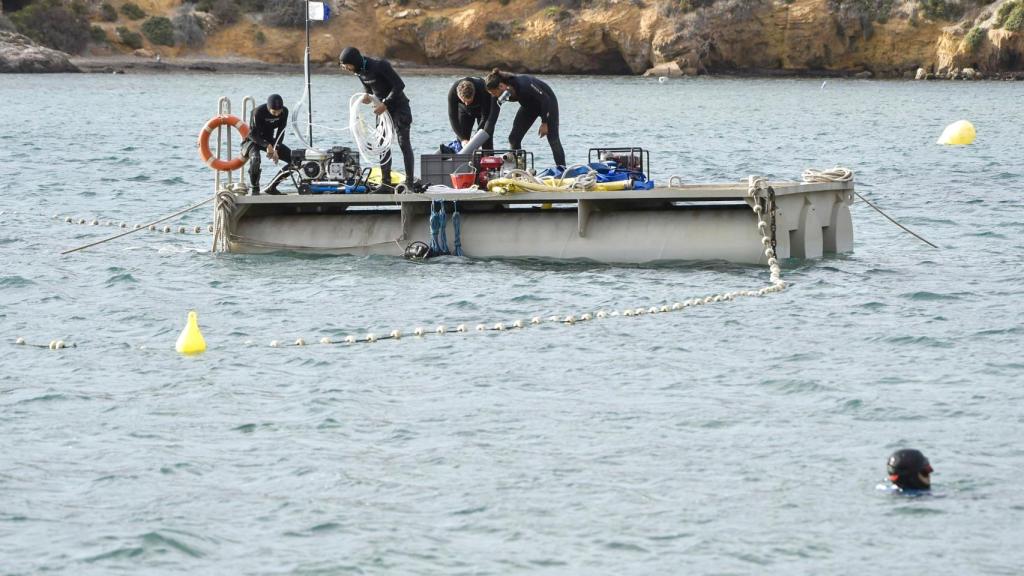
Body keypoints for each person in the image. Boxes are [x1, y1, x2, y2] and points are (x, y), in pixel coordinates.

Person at [339, 46, 416, 192]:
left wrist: (385, 103)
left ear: (354, 61)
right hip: (383, 111)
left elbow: (399, 85)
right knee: (382, 145)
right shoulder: (359, 71)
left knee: (403, 143)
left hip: (399, 107)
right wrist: (367, 96)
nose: (346, 68)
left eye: (347, 65)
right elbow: (369, 88)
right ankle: (386, 184)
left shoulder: (379, 65)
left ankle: (410, 183)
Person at [484, 68, 566, 169]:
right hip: (529, 107)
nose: (494, 96)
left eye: (494, 93)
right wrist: (484, 135)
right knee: (513, 138)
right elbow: (492, 118)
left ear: (501, 86)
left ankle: (563, 170)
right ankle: (519, 170)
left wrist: (544, 123)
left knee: (553, 139)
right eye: (491, 94)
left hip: (547, 103)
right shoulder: (497, 94)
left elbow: (545, 99)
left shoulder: (523, 84)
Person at [243, 94, 292, 195]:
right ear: (268, 108)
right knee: (255, 159)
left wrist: (276, 149)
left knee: (295, 161)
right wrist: (267, 146)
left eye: (279, 112)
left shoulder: (285, 112)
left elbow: (281, 132)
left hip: (270, 140)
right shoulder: (258, 112)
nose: (277, 115)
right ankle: (255, 188)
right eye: (274, 112)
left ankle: (272, 187)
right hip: (254, 141)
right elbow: (252, 134)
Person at [447, 77, 500, 152]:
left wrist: (476, 139)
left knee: (485, 139)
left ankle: (488, 160)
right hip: (464, 112)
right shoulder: (452, 92)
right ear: (458, 95)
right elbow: (453, 117)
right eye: (464, 101)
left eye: (469, 101)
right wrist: (463, 140)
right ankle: (464, 161)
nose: (467, 104)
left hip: (482, 112)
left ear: (474, 93)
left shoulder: (483, 89)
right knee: (463, 140)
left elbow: (485, 117)